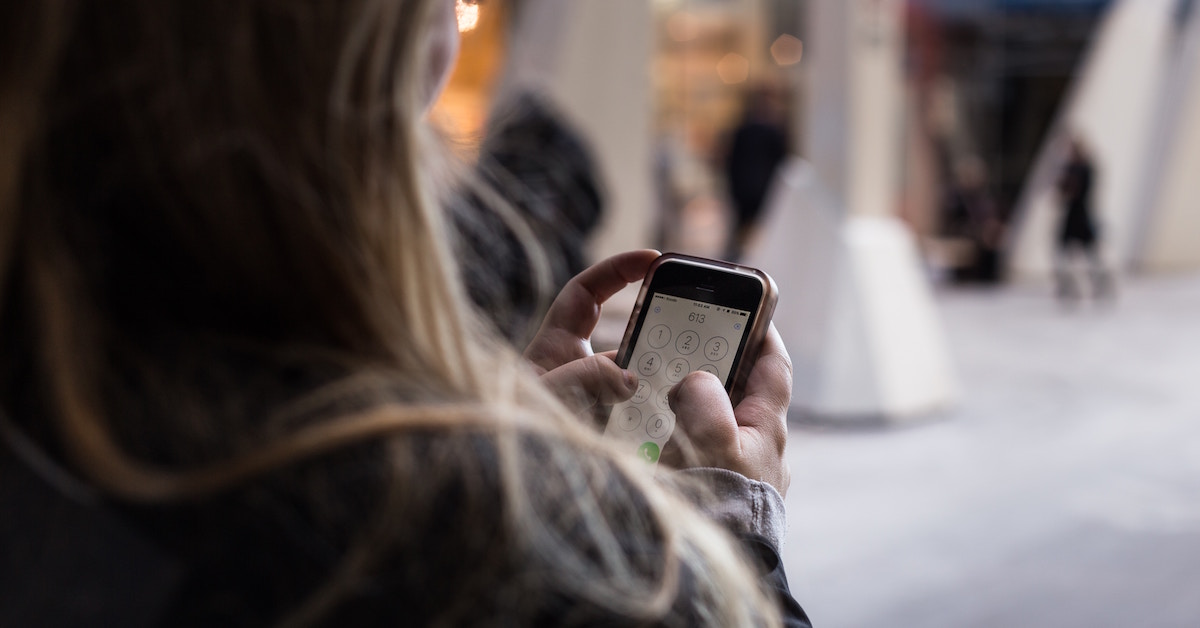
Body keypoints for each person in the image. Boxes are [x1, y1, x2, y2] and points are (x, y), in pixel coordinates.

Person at [0, 1, 811, 626]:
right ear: (361, 52)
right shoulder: (454, 551)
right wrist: (733, 536)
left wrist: (494, 444)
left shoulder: (54, 400)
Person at [723, 84, 790, 262]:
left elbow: (730, 161)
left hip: (746, 187)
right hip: (759, 187)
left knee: (743, 225)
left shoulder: (744, 129)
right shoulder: (773, 131)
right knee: (758, 226)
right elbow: (781, 162)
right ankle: (747, 258)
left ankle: (737, 258)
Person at [1054, 137, 1110, 301]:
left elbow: (1077, 190)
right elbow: (1062, 188)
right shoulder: (1071, 167)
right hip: (1073, 215)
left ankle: (1098, 283)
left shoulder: (1085, 168)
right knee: (1065, 250)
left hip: (1082, 215)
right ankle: (1067, 285)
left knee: (1090, 253)